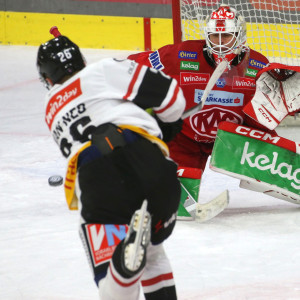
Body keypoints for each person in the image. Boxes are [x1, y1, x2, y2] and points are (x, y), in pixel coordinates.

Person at [37, 27, 185, 300]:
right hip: (150, 167)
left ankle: (122, 269)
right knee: (152, 253)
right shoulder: (101, 70)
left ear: (48, 79)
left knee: (111, 283)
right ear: (82, 60)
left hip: (98, 180)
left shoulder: (50, 107)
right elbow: (173, 98)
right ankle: (129, 258)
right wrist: (165, 123)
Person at [128, 4, 270, 219]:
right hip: (186, 139)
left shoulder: (259, 65)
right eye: (215, 36)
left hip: (233, 140)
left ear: (239, 36)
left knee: (274, 152)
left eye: (227, 37)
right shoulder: (181, 55)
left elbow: (269, 108)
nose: (220, 43)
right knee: (168, 203)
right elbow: (132, 66)